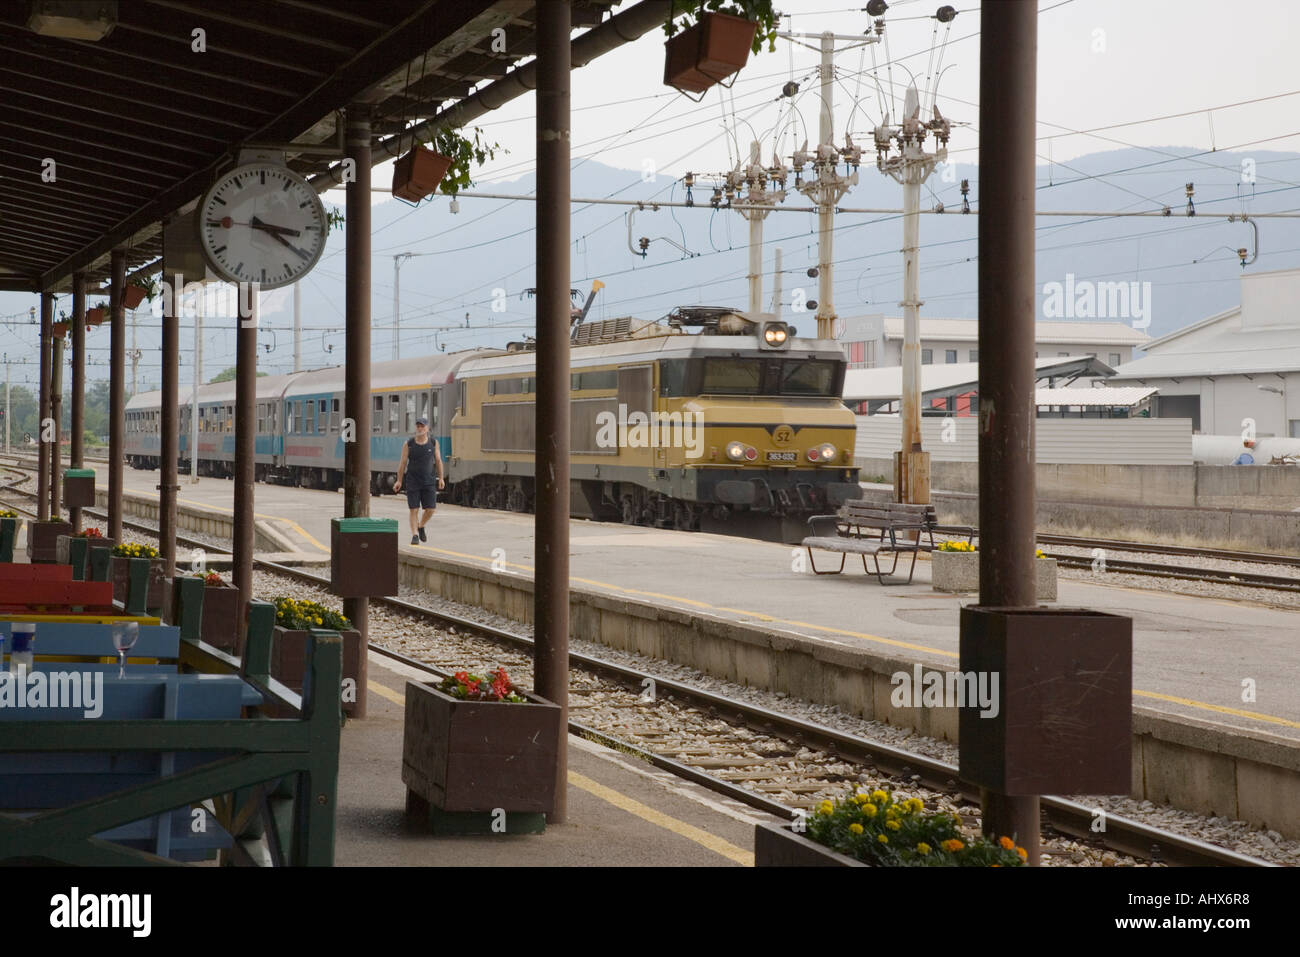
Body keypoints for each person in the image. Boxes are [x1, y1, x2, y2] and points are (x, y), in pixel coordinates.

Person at [393, 417, 444, 544]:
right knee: (414, 509)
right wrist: (399, 480)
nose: (420, 428)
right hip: (413, 481)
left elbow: (438, 461)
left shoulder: (433, 443)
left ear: (427, 428)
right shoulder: (408, 444)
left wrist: (441, 478)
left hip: (429, 481)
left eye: (422, 426)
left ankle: (421, 526)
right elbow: (403, 463)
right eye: (418, 426)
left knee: (430, 509)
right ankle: (415, 535)